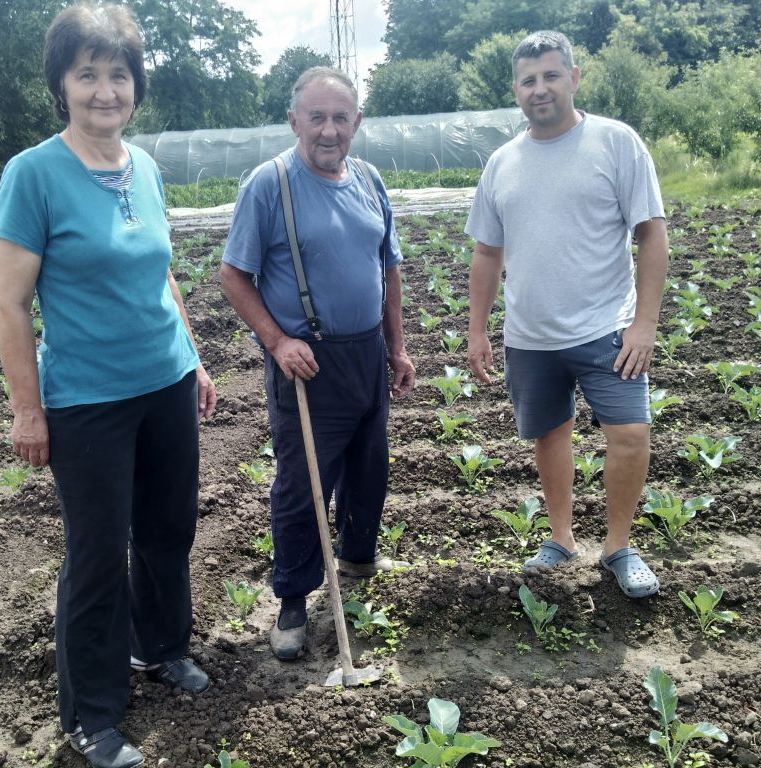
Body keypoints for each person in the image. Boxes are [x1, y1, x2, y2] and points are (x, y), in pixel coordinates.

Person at [0, 4, 217, 768]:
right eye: (87, 74)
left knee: (167, 530)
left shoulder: (144, 167)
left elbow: (160, 273)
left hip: (165, 381)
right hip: (86, 400)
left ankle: (161, 648)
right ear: (62, 83)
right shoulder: (33, 174)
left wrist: (194, 358)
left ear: (135, 85)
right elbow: (11, 303)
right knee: (95, 556)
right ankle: (92, 713)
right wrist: (28, 407)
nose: (104, 90)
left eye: (117, 74)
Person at [220, 66, 415, 661]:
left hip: (366, 357)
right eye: (317, 118)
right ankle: (294, 599)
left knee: (368, 466)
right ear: (294, 120)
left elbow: (388, 268)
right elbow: (233, 274)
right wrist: (277, 341)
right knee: (303, 486)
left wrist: (397, 346)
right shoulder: (270, 183)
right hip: (307, 364)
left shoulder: (369, 179)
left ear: (356, 123)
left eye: (340, 118)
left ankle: (357, 555)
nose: (329, 131)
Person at [465, 30, 669, 599]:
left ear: (574, 78)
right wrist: (478, 329)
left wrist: (645, 323)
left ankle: (618, 547)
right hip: (529, 337)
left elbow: (651, 234)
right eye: (529, 80)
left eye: (552, 75)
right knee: (550, 435)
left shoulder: (615, 142)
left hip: (606, 330)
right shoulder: (503, 162)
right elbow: (487, 251)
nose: (540, 89)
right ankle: (560, 538)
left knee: (629, 434)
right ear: (516, 90)